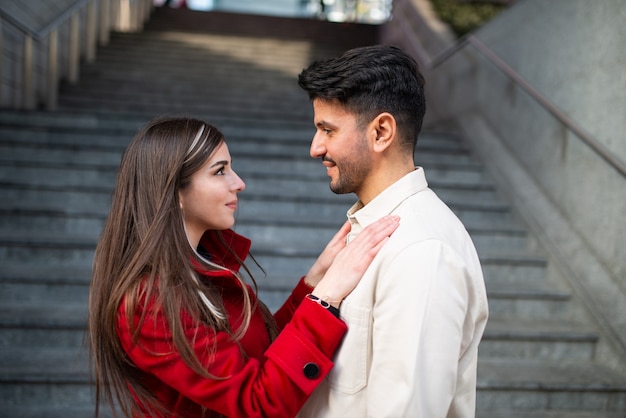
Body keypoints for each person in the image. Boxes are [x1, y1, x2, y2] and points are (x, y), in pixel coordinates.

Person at [88, 116, 400, 417]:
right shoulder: (148, 302)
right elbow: (257, 403)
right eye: (220, 171)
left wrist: (314, 283)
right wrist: (326, 298)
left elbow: (259, 354)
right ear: (174, 191)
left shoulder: (205, 263)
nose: (239, 183)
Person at [296, 45, 489, 417]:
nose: (315, 148)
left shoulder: (422, 250)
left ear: (381, 131)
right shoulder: (376, 231)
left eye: (327, 130)